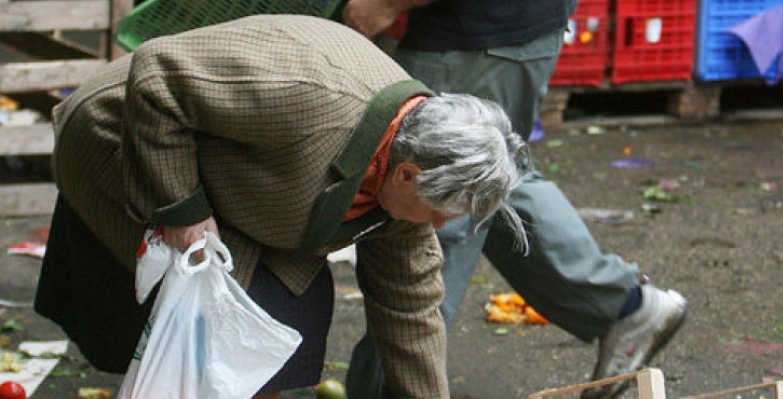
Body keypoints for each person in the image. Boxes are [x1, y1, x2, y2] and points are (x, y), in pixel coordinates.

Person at [32, 15, 532, 399]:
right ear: (407, 174)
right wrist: (181, 210)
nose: (443, 223)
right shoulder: (308, 98)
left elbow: (410, 308)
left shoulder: (409, 171)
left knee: (289, 324)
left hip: (244, 180)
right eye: (442, 208)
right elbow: (157, 77)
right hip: (126, 136)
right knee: (207, 329)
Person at [342, 1, 688, 398]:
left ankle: (388, 389)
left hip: (479, 34)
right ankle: (622, 306)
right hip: (512, 30)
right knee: (489, 176)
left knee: (431, 205)